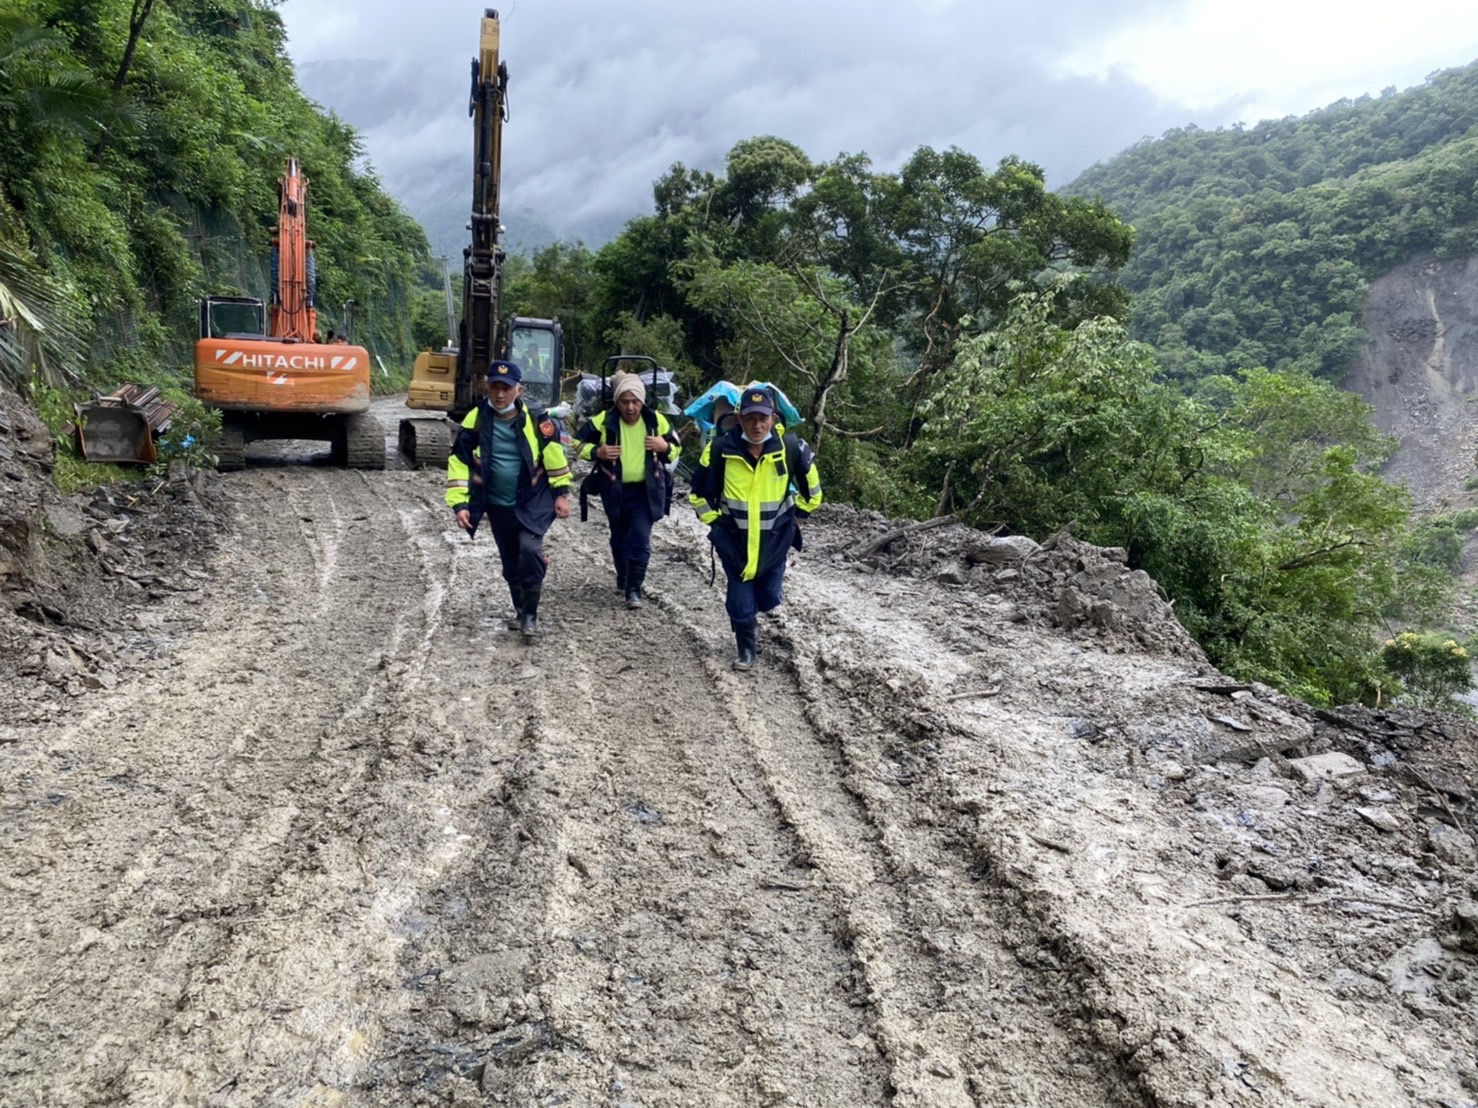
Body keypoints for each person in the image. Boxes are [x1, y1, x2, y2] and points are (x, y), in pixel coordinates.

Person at [689, 385, 822, 670]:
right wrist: (715, 522)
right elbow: (697, 494)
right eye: (750, 418)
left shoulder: (791, 448)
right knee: (740, 601)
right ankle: (746, 648)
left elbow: (814, 492)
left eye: (763, 418)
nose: (757, 425)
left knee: (770, 596)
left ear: (773, 418)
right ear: (739, 418)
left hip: (774, 542)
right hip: (734, 540)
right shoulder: (720, 450)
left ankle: (749, 619)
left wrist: (798, 517)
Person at [446, 359, 572, 641]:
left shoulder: (537, 418)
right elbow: (459, 460)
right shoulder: (477, 417)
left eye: (506, 388)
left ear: (519, 389)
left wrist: (561, 493)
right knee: (510, 561)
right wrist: (460, 503)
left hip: (533, 498)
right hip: (496, 501)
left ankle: (530, 616)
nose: (500, 394)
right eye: (494, 387)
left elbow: (553, 454)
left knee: (529, 549)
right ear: (487, 387)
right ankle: (520, 609)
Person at [575, 371, 681, 608]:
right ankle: (623, 575)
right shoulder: (604, 420)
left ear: (643, 401)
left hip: (646, 491)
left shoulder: (656, 421)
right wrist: (597, 452)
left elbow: (676, 449)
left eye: (635, 402)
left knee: (640, 539)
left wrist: (664, 447)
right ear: (617, 402)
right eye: (625, 402)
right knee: (619, 537)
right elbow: (575, 443)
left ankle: (634, 589)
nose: (631, 407)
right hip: (614, 490)